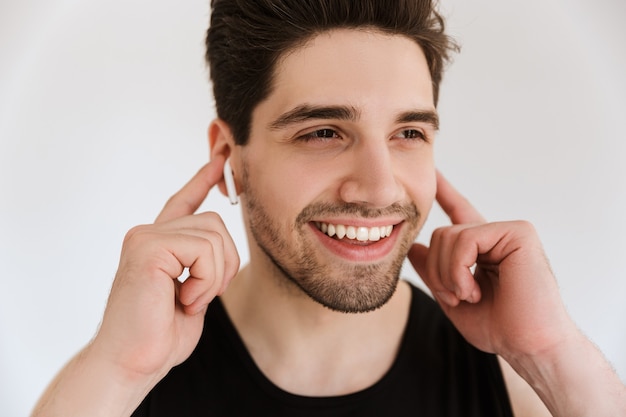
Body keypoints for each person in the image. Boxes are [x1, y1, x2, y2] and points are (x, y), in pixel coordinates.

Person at [32, 0, 626, 416]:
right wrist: (119, 373)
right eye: (322, 132)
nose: (378, 187)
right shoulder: (121, 384)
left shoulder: (517, 383)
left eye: (409, 133)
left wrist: (550, 354)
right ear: (228, 156)